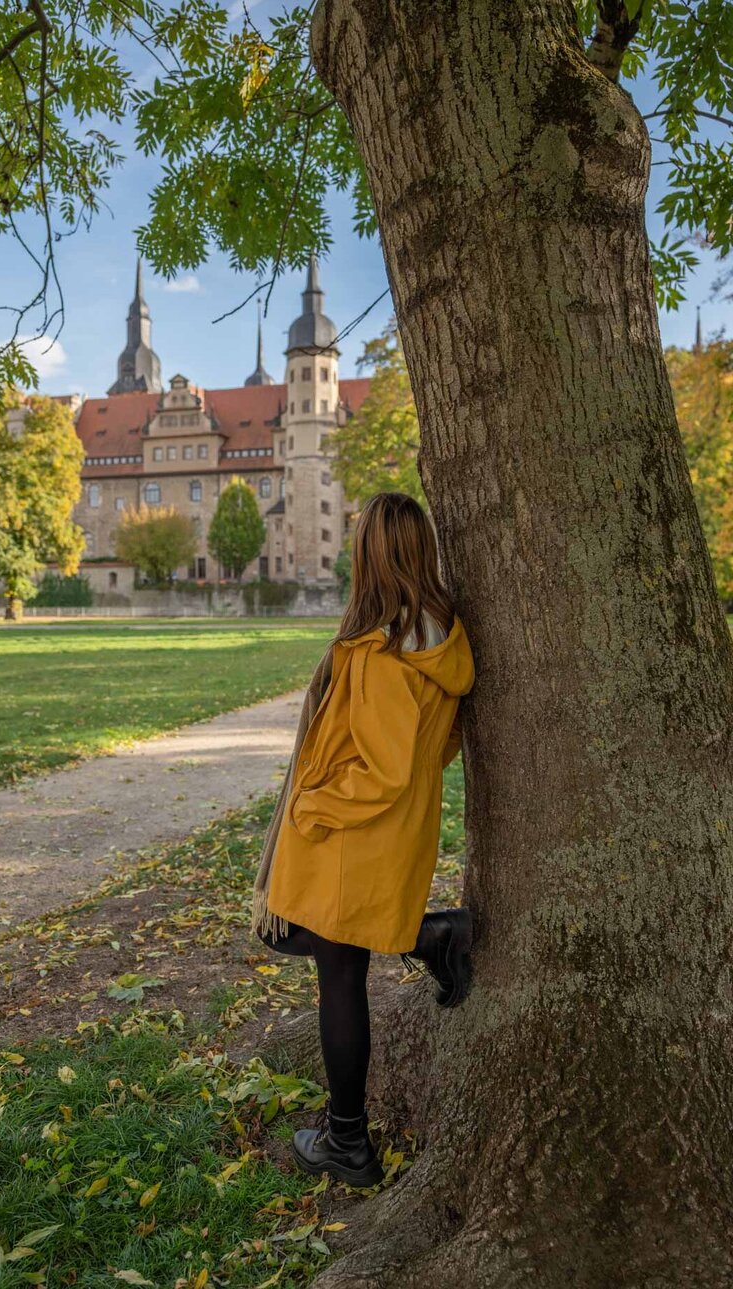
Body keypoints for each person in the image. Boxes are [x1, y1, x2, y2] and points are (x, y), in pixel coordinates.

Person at [256, 491, 477, 1188]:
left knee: (333, 970)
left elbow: (382, 766)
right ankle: (429, 935)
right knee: (305, 942)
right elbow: (434, 745)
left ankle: (347, 1142)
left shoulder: (387, 650)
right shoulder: (436, 636)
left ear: (372, 556)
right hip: (381, 831)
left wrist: (319, 800)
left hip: (350, 830)